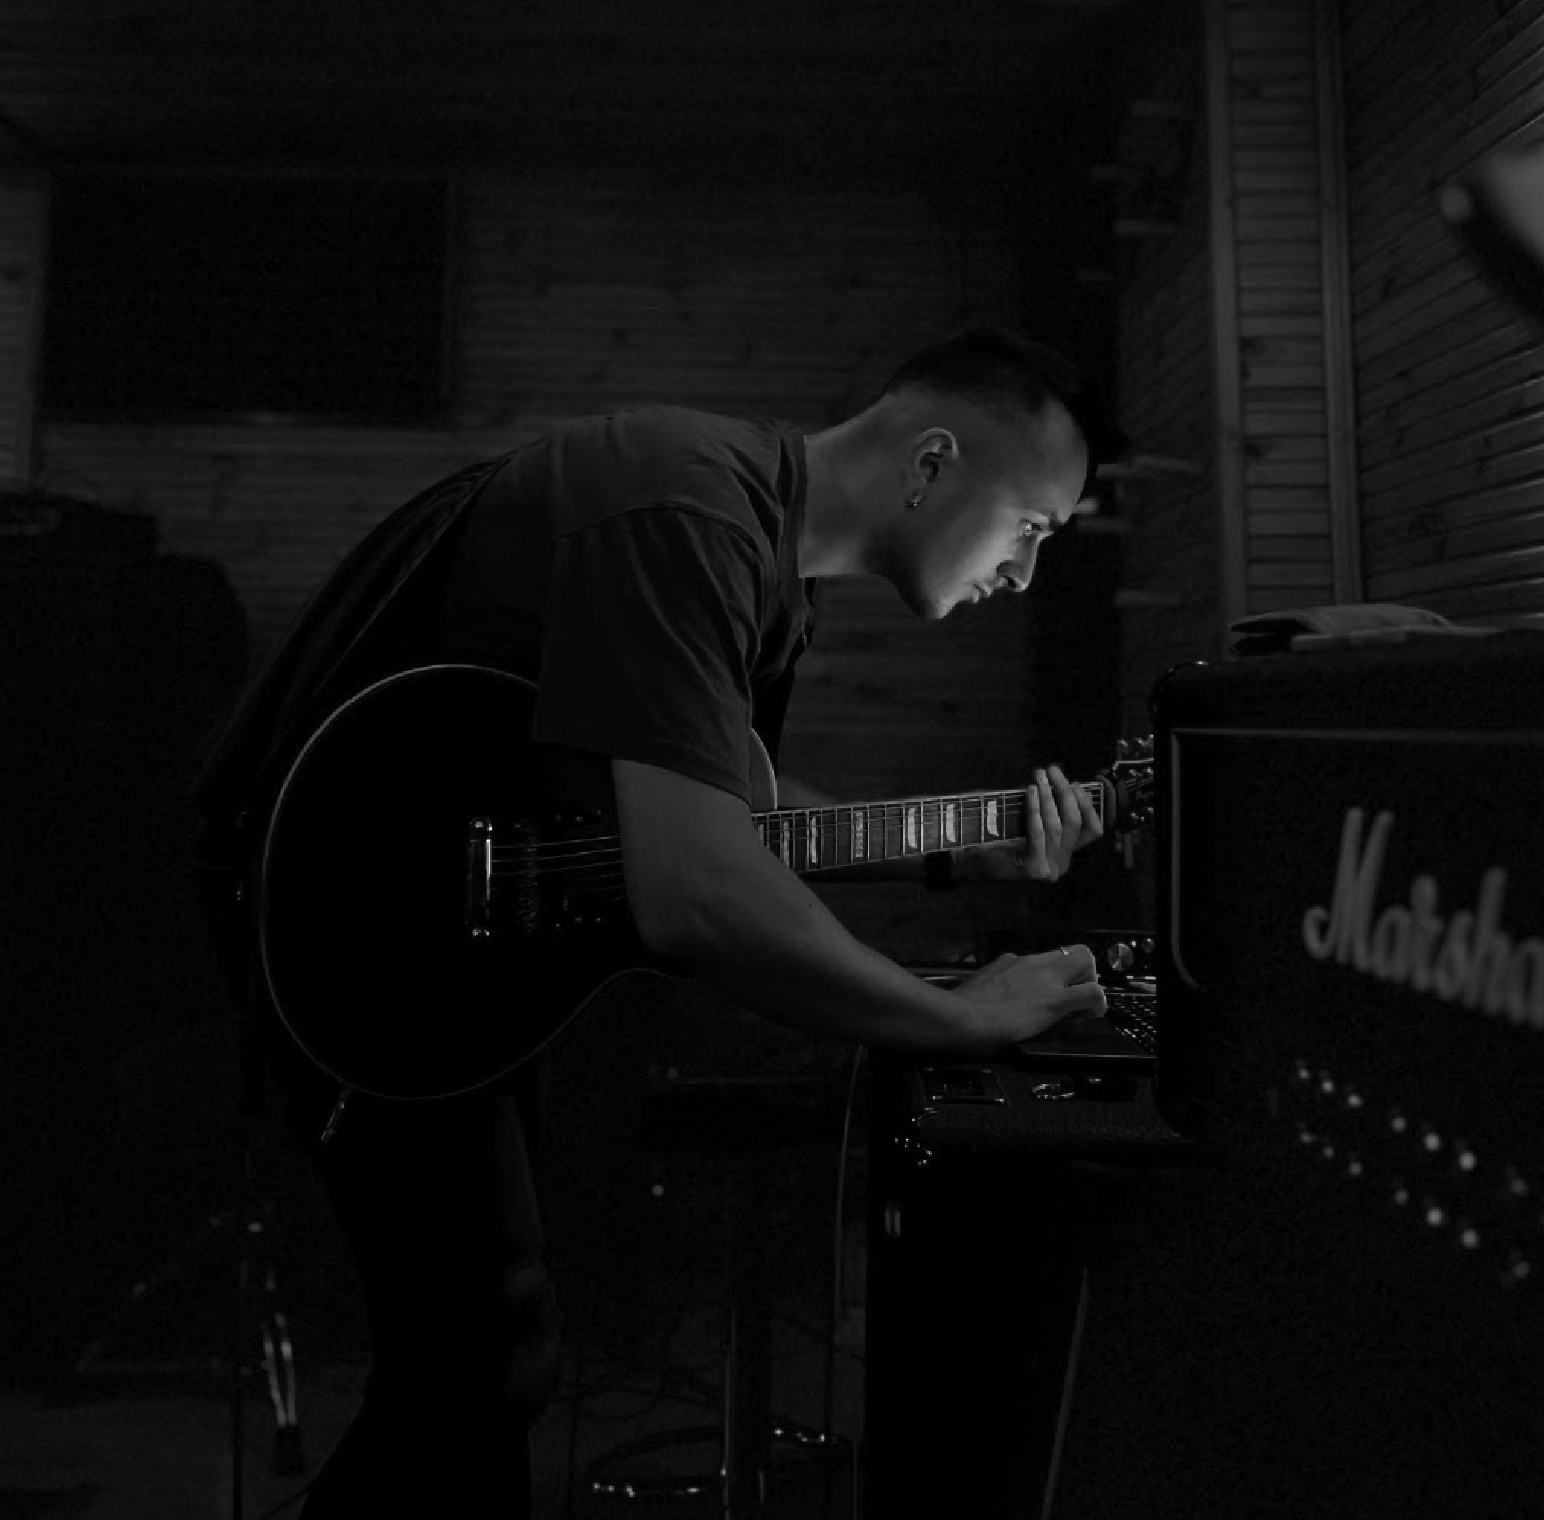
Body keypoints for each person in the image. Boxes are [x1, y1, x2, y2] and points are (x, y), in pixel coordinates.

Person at [193, 325, 1123, 1517]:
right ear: (931, 461)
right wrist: (948, 1016)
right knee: (480, 1360)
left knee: (484, 1358)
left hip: (460, 951)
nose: (1024, 573)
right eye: (1032, 528)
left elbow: (708, 797)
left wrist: (954, 841)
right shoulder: (685, 508)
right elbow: (692, 891)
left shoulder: (744, 546)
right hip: (359, 932)